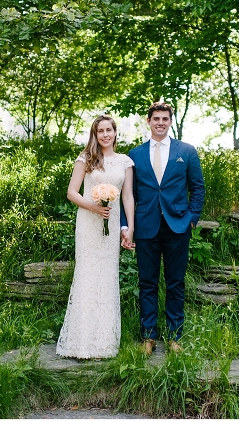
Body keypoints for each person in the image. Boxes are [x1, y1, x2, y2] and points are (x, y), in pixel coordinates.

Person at [121, 102, 205, 356]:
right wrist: (127, 225)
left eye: (165, 119)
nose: (160, 122)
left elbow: (198, 188)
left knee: (175, 283)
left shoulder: (186, 151)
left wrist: (192, 217)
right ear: (148, 121)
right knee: (147, 283)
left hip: (178, 225)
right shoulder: (134, 155)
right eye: (155, 118)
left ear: (170, 121)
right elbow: (129, 194)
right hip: (146, 226)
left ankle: (174, 337)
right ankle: (148, 337)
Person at [56, 115, 135, 359]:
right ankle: (81, 343)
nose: (105, 135)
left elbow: (127, 197)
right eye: (100, 131)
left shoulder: (125, 162)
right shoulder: (86, 158)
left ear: (115, 132)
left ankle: (105, 343)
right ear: (95, 134)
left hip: (111, 224)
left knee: (106, 277)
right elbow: (71, 193)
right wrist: (94, 207)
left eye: (108, 130)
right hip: (89, 223)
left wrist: (129, 227)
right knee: (88, 275)